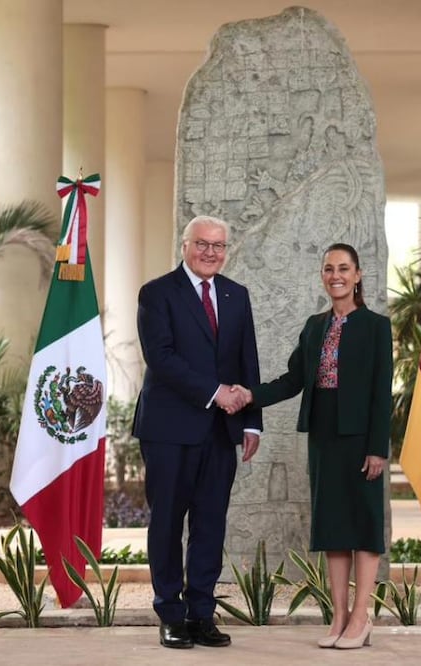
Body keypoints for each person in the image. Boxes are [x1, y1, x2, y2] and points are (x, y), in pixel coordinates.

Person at [235, 243, 392, 650]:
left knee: (364, 525)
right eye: (328, 268)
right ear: (322, 275)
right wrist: (250, 395)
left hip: (361, 440)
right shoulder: (314, 326)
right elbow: (293, 380)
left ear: (357, 275)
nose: (335, 275)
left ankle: (362, 615)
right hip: (323, 437)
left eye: (343, 268)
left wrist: (377, 448)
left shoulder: (376, 326)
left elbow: (381, 392)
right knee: (333, 526)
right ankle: (339, 616)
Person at [132, 215, 262, 649]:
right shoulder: (157, 293)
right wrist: (215, 392)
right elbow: (161, 358)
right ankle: (170, 614)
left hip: (221, 431)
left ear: (227, 250)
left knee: (210, 525)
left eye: (218, 245)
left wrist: (252, 421)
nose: (210, 252)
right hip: (169, 429)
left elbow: (247, 359)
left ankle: (201, 614)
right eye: (202, 244)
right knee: (167, 524)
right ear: (185, 245)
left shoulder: (236, 295)